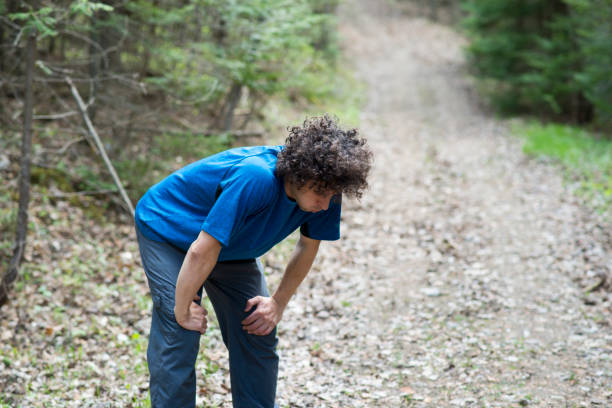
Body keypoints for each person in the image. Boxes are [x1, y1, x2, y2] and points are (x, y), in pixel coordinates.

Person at [134, 115, 372, 408]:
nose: (325, 204)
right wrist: (182, 308)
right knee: (181, 330)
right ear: (299, 174)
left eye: (333, 195)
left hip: (229, 246)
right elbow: (200, 252)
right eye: (321, 193)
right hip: (169, 229)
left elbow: (308, 246)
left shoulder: (326, 192)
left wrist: (278, 303)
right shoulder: (255, 177)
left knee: (258, 324)